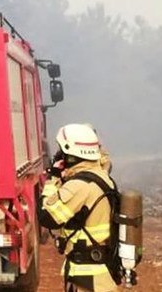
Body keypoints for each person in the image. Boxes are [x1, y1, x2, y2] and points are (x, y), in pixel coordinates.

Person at [38, 123, 117, 292]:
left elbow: (47, 217)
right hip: (96, 274)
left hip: (88, 277)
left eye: (62, 152)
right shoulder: (101, 175)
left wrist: (52, 179)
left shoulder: (79, 186)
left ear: (70, 153)